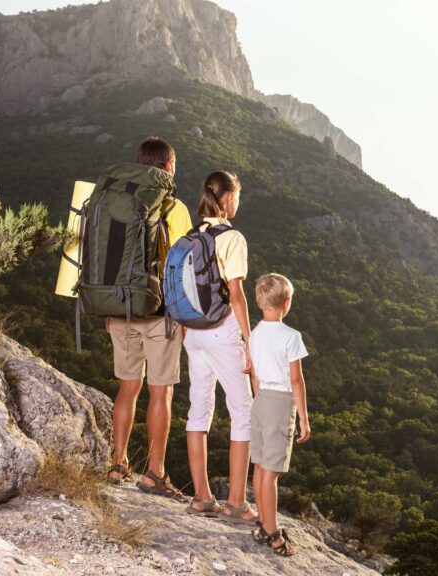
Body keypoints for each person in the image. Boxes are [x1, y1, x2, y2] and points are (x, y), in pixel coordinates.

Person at [105, 137, 192, 502]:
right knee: (162, 391)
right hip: (161, 312)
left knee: (128, 387)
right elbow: (183, 266)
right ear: (169, 166)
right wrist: (184, 315)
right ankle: (154, 472)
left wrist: (108, 309)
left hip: (121, 307)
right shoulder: (174, 206)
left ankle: (117, 462)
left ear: (139, 163)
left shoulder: (114, 200)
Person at [182, 171, 258, 524]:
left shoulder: (190, 235)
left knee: (199, 409)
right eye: (238, 196)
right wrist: (249, 341)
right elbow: (238, 296)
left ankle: (201, 496)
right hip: (222, 329)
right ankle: (237, 502)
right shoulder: (232, 238)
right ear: (228, 199)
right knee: (242, 412)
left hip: (192, 331)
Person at [249, 273, 311, 557]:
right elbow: (296, 380)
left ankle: (263, 523)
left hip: (260, 400)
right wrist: (303, 419)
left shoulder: (254, 333)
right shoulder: (291, 337)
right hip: (281, 402)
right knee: (271, 473)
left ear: (260, 301)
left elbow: (254, 373)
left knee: (260, 467)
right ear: (286, 303)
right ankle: (273, 533)